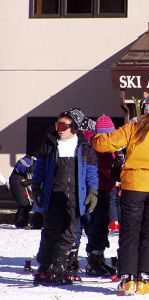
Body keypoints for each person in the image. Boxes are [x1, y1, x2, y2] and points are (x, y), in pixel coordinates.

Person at [92, 91, 149, 295]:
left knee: (130, 233)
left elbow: (103, 143)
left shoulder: (133, 128)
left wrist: (95, 135)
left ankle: (128, 279)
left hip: (133, 186)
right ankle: (146, 279)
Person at [32, 109, 98, 283]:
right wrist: (36, 187)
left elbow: (91, 170)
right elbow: (39, 167)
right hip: (53, 194)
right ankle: (45, 266)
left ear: (74, 127)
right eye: (57, 125)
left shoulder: (84, 145)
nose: (59, 129)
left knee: (70, 233)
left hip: (76, 195)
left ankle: (60, 265)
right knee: (50, 231)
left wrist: (93, 191)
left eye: (64, 125)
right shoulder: (50, 143)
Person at [85, 115, 118, 277]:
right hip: (100, 191)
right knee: (98, 226)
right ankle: (94, 260)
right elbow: (107, 170)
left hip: (103, 190)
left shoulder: (98, 145)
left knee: (99, 226)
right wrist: (118, 173)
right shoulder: (101, 149)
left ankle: (98, 259)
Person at [9, 155, 43, 229]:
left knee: (31, 204)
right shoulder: (29, 160)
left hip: (25, 183)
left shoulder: (41, 163)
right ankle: (20, 224)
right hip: (18, 182)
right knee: (25, 203)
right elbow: (19, 166)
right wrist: (29, 168)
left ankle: (22, 223)